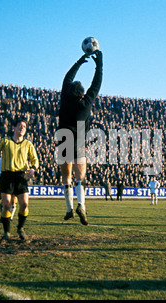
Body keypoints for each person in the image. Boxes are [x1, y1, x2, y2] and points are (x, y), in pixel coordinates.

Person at [56, 50, 103, 225]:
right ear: (82, 94)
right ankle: (81, 205)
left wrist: (78, 62)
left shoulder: (65, 100)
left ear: (68, 92)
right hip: (79, 140)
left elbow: (66, 79)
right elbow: (96, 84)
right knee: (80, 177)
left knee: (65, 177)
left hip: (63, 138)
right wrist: (99, 64)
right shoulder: (85, 104)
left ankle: (69, 210)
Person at [0, 118, 39, 241]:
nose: (22, 128)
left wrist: (33, 169)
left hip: (21, 176)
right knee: (6, 205)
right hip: (7, 176)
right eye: (20, 126)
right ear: (13, 128)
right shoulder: (5, 141)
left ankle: (20, 228)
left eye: (24, 127)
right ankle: (6, 232)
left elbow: (35, 160)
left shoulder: (28, 144)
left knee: (25, 204)